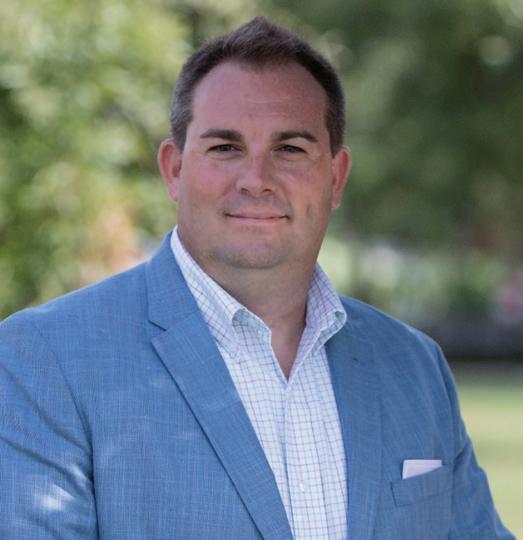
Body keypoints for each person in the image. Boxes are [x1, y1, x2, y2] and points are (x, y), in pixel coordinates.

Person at [0, 16, 514, 540]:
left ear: (335, 177)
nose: (256, 180)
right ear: (174, 170)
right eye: (225, 147)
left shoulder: (414, 366)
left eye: (290, 149)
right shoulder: (45, 359)